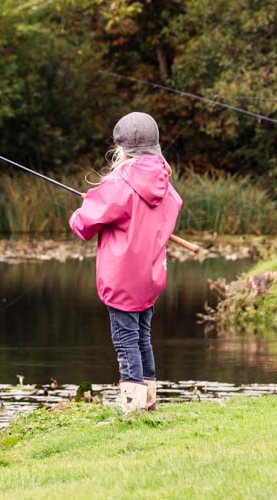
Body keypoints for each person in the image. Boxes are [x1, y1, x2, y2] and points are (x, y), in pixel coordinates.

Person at [69, 111, 183, 411]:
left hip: (122, 278)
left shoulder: (120, 182)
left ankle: (133, 408)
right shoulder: (165, 183)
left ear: (121, 148)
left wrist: (80, 210)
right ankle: (149, 403)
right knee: (142, 337)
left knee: (125, 341)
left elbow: (84, 225)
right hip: (151, 275)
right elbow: (168, 209)